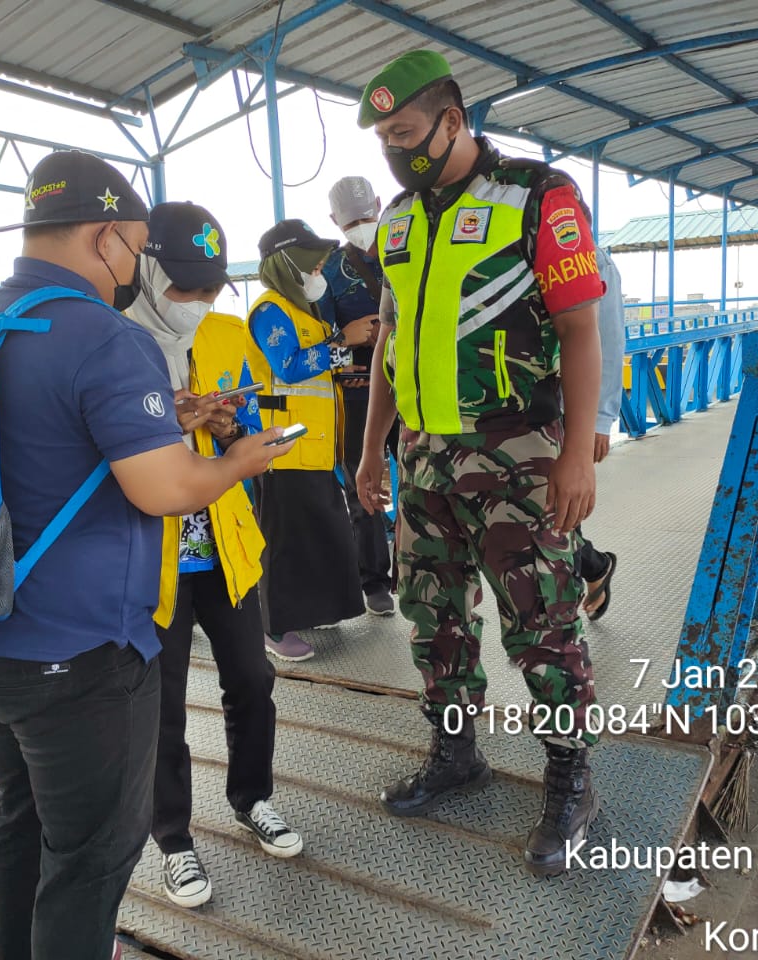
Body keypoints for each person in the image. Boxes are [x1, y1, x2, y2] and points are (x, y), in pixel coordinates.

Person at [0, 151, 294, 960]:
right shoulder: (103, 334)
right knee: (91, 859)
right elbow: (166, 489)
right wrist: (243, 458)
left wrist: (166, 411)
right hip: (76, 654)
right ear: (105, 239)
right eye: (135, 248)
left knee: (19, 818)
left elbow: (48, 432)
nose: (135, 267)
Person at [352, 51, 605, 875]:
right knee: (437, 621)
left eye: (405, 133)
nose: (395, 151)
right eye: (385, 140)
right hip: (423, 457)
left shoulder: (538, 195)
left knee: (541, 622)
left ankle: (573, 780)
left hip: (517, 454)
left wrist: (576, 456)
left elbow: (579, 330)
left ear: (452, 121)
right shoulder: (397, 218)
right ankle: (457, 753)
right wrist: (373, 450)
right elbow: (389, 339)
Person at [124, 202, 302, 910]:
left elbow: (252, 415)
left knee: (253, 684)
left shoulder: (226, 333)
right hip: (154, 565)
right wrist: (170, 418)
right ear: (146, 270)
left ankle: (252, 797)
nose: (198, 305)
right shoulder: (115, 341)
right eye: (184, 290)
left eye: (211, 290)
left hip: (224, 550)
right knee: (163, 709)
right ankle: (174, 839)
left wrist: (233, 422)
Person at [246, 219, 373, 662]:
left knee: (324, 533)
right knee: (284, 543)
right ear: (288, 264)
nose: (320, 271)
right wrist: (344, 344)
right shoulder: (269, 311)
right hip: (282, 448)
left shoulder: (306, 311)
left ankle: (317, 608)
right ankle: (274, 626)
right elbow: (288, 366)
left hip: (317, 447)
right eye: (313, 265)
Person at [320, 175, 396, 617]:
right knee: (362, 486)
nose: (363, 226)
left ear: (382, 206)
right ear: (335, 222)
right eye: (354, 221)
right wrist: (350, 339)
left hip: (407, 389)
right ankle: (374, 581)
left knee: (421, 474)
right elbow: (321, 340)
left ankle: (413, 560)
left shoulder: (404, 252)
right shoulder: (328, 270)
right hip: (355, 395)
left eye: (369, 217)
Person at [579, 246, 625, 620]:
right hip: (515, 410)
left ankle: (592, 569)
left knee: (551, 513)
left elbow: (608, 342)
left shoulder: (594, 258)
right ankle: (593, 567)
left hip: (566, 411)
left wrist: (600, 419)